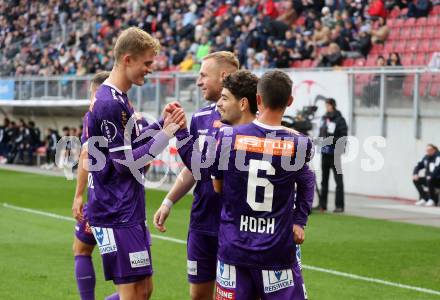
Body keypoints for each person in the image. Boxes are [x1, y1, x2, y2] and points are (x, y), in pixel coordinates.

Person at [86, 27, 185, 300]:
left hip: (127, 207)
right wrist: (166, 134)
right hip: (114, 211)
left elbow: (132, 144)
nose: (150, 69)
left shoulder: (120, 98)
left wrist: (160, 126)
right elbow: (123, 163)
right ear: (128, 59)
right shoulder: (108, 102)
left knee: (143, 291)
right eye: (147, 63)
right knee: (132, 294)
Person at [211, 70, 314, 299]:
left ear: (258, 99)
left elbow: (218, 187)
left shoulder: (228, 137)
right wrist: (299, 220)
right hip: (275, 250)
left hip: (234, 247)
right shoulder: (298, 143)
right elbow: (308, 181)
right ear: (290, 101)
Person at [152, 51, 239, 300]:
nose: (198, 81)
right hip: (202, 221)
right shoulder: (200, 117)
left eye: (203, 75)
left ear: (223, 76)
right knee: (199, 295)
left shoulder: (248, 119)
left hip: (234, 224)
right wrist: (168, 201)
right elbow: (195, 166)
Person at [71, 71, 111, 300]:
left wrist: (78, 195)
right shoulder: (136, 116)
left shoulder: (94, 113)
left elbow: (87, 154)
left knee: (81, 251)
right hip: (130, 202)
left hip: (102, 202)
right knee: (141, 285)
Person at [316, 98, 348, 213]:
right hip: (325, 152)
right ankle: (322, 204)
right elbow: (321, 133)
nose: (326, 108)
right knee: (324, 180)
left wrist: (331, 140)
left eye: (328, 106)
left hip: (335, 153)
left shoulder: (340, 120)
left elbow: (343, 137)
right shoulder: (324, 119)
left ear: (332, 106)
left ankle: (339, 205)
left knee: (338, 180)